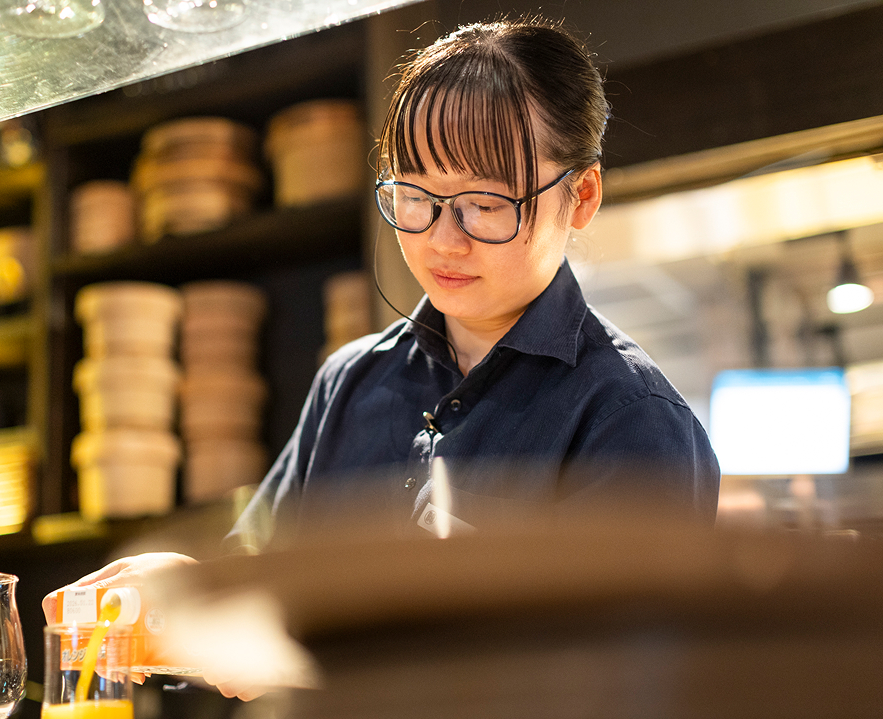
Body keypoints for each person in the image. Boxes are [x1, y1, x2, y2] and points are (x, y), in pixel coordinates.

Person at [43, 14, 721, 700]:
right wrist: (186, 587)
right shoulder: (351, 382)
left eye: (486, 203)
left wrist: (304, 666)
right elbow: (265, 577)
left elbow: (617, 692)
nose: (443, 240)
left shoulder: (631, 419)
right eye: (415, 196)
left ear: (582, 196)